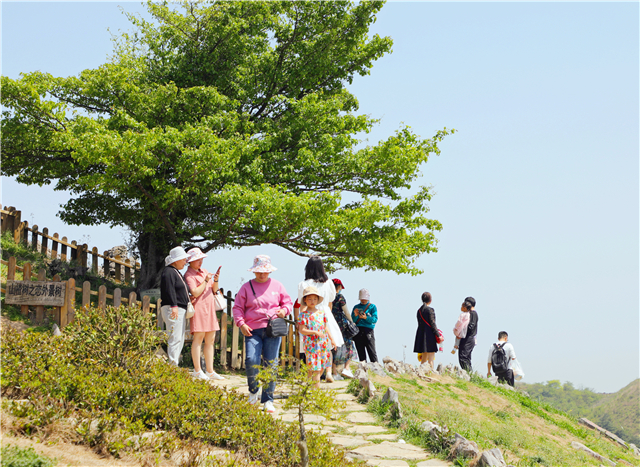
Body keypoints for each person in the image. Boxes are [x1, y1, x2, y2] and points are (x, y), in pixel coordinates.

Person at [233, 255, 292, 414]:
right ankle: (253, 391)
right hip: (252, 329)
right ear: (254, 271)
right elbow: (237, 307)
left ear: (269, 271)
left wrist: (283, 311)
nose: (262, 274)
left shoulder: (278, 285)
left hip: (272, 329)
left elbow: (288, 303)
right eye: (259, 271)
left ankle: (268, 399)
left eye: (265, 271)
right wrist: (241, 323)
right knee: (251, 359)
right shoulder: (246, 287)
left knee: (271, 363)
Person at [297, 256, 343, 382]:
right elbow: (330, 301)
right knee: (327, 346)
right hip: (325, 314)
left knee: (311, 349)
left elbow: (302, 304)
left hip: (309, 315)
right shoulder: (328, 283)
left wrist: (301, 319)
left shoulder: (303, 284)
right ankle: (328, 372)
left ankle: (312, 376)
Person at [184, 247, 224, 381]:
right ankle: (197, 369)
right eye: (197, 259)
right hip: (199, 308)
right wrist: (206, 281)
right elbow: (195, 292)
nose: (200, 262)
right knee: (198, 339)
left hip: (210, 307)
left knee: (210, 340)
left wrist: (215, 280)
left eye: (201, 259)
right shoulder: (188, 275)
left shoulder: (205, 271)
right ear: (190, 261)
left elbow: (213, 290)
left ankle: (210, 370)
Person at [298, 286, 337, 388]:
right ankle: (316, 390)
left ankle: (311, 384)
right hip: (311, 344)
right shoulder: (303, 315)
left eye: (315, 299)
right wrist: (315, 332)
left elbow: (325, 327)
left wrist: (332, 339)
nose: (312, 301)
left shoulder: (321, 313)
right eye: (310, 299)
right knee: (315, 367)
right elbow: (302, 330)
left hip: (323, 343)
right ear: (305, 300)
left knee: (323, 364)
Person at [160, 246, 190, 366]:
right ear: (176, 260)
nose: (185, 262)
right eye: (183, 259)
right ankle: (173, 364)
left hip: (179, 308)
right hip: (173, 308)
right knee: (175, 337)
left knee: (179, 338)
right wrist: (174, 305)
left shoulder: (175, 272)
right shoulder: (168, 272)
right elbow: (169, 290)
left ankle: (174, 362)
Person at [330, 278, 357, 379]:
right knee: (349, 344)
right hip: (341, 324)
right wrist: (352, 322)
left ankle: (334, 372)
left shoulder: (328, 298)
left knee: (333, 346)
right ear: (339, 287)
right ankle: (346, 368)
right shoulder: (340, 297)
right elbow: (346, 312)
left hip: (332, 323)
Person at [351, 288, 378, 363]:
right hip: (358, 330)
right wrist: (356, 315)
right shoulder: (356, 307)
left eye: (364, 299)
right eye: (361, 299)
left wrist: (366, 318)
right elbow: (352, 320)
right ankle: (363, 367)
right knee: (361, 352)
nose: (363, 300)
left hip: (368, 330)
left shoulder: (372, 307)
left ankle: (376, 367)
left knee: (371, 351)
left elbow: (375, 319)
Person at [413, 292, 439, 367]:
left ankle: (422, 371)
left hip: (421, 334)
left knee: (424, 358)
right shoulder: (430, 310)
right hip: (429, 335)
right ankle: (431, 374)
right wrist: (438, 335)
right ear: (430, 300)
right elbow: (433, 324)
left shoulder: (419, 311)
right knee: (431, 357)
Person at [458, 296, 478, 372]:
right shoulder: (470, 313)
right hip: (468, 338)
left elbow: (471, 326)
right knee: (465, 358)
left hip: (468, 338)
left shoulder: (473, 314)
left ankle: (468, 374)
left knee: (463, 357)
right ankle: (468, 374)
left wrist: (461, 331)